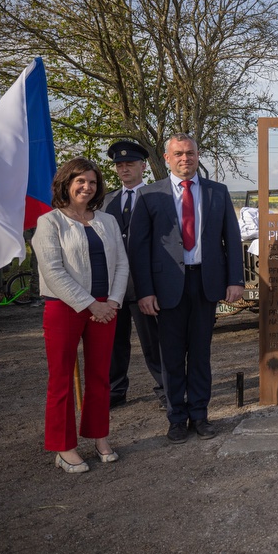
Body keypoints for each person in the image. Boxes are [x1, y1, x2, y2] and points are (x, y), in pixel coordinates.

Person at [129, 133, 244, 444]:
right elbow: (138, 249)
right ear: (167, 158)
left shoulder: (217, 192)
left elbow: (232, 240)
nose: (185, 158)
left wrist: (235, 280)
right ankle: (177, 418)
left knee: (200, 354)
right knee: (171, 356)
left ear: (197, 155)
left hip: (206, 283)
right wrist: (144, 291)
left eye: (190, 153)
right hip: (166, 288)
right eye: (178, 154)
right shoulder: (149, 195)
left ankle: (200, 415)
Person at [33, 157, 128, 473]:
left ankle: (100, 437)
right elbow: (53, 271)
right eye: (81, 181)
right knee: (60, 379)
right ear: (67, 184)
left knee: (100, 377)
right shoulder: (50, 222)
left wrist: (112, 302)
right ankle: (64, 448)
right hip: (65, 308)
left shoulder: (107, 221)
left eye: (92, 182)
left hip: (106, 309)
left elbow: (121, 264)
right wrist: (90, 304)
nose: (87, 187)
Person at [103, 140, 166, 410]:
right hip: (113, 287)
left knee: (154, 343)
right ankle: (115, 391)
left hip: (145, 285)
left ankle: (166, 389)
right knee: (114, 344)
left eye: (130, 164)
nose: (124, 169)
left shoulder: (159, 196)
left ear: (143, 166)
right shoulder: (107, 201)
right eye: (120, 165)